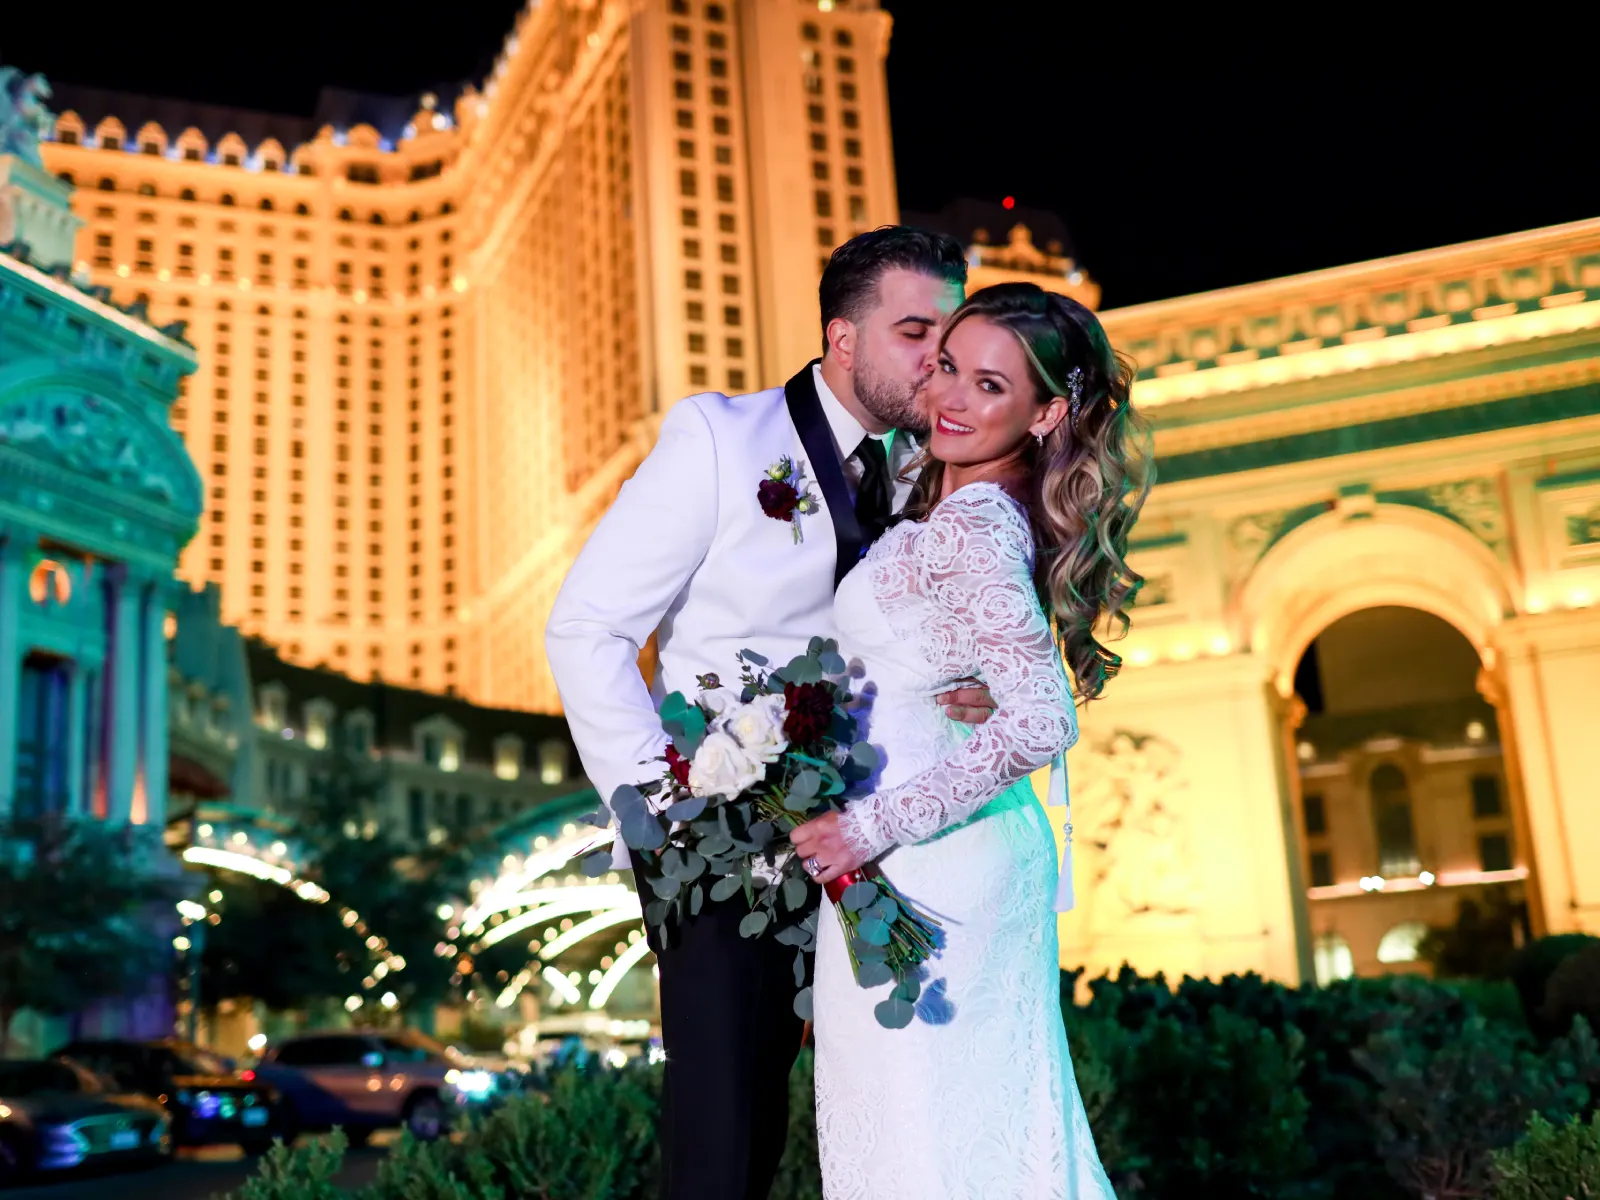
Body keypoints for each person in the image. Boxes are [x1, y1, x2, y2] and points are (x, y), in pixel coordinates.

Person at [545, 227, 997, 1200]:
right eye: (914, 331)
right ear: (841, 337)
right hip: (724, 850)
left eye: (949, 335)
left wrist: (972, 689)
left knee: (891, 1117)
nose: (937, 359)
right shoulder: (720, 438)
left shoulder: (938, 477)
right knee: (726, 1142)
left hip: (887, 843)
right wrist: (664, 818)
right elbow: (586, 627)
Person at [789, 281, 1151, 1199]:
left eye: (990, 385)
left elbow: (1042, 718)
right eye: (948, 366)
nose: (952, 397)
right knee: (955, 1135)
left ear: (1047, 413)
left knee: (922, 1141)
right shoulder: (947, 500)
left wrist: (864, 831)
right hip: (945, 855)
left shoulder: (977, 525)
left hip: (926, 868)